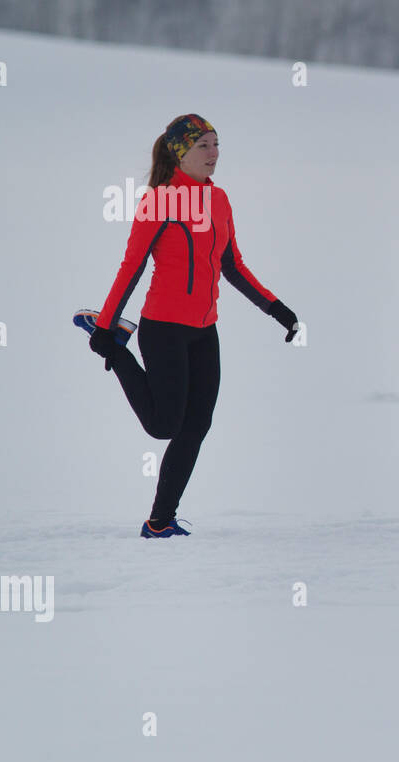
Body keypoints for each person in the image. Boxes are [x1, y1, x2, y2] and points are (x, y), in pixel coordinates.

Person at [75, 114, 299, 538]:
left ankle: (159, 522)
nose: (214, 154)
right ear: (181, 152)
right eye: (204, 146)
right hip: (163, 326)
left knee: (196, 427)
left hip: (203, 330)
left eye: (217, 144)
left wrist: (276, 309)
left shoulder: (220, 201)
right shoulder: (160, 202)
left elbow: (232, 266)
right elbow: (132, 267)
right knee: (164, 426)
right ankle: (120, 346)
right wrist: (105, 328)